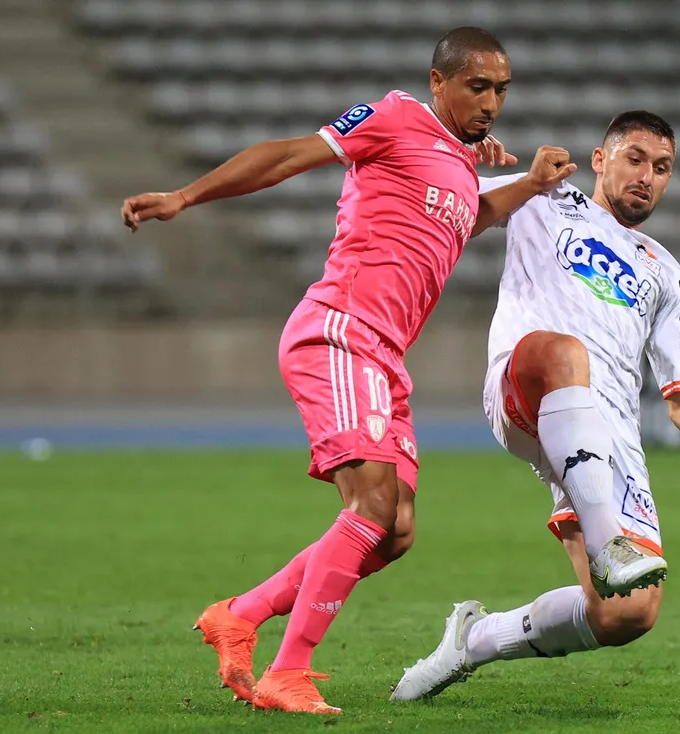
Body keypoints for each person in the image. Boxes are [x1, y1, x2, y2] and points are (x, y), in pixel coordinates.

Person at [121, 27, 576, 715]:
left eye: (502, 89)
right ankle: (287, 671)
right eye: (477, 86)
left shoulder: (458, 164)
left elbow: (471, 215)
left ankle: (238, 615)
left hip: (384, 356)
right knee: (369, 506)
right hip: (341, 331)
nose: (491, 102)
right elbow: (288, 156)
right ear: (438, 82)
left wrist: (531, 184)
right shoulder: (395, 117)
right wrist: (186, 196)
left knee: (393, 532)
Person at [390, 110, 680, 702]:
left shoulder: (666, 274)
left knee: (628, 613)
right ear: (600, 158)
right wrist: (464, 154)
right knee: (564, 352)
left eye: (662, 168)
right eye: (635, 159)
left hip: (605, 437)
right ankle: (609, 535)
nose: (648, 177)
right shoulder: (543, 196)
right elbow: (451, 206)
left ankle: (474, 640)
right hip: (524, 380)